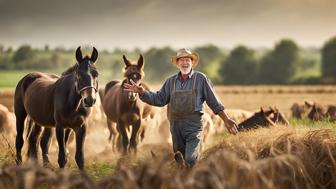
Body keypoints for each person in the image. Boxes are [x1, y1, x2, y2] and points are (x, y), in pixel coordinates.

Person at [124, 48, 238, 167]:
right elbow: (160, 99)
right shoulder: (171, 82)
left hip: (194, 125)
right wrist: (142, 92)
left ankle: (194, 181)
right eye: (182, 60)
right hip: (176, 126)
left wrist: (226, 119)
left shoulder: (201, 79)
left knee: (190, 158)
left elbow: (214, 102)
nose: (185, 63)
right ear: (177, 63)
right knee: (180, 159)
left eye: (187, 60)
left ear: (192, 62)